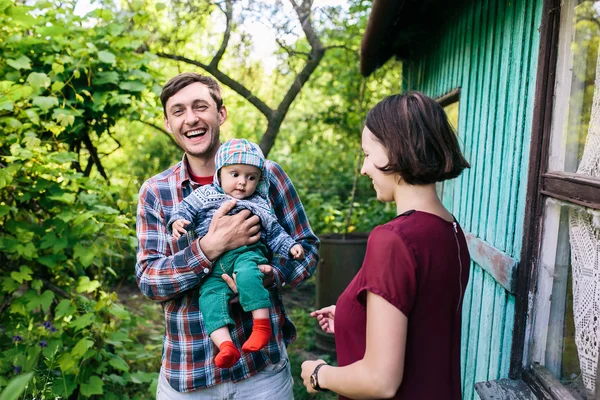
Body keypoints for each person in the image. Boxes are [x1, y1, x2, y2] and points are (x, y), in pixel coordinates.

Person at [135, 72, 319, 399]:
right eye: (178, 111)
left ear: (221, 113)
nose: (190, 118)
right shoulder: (157, 192)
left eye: (200, 106)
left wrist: (271, 275)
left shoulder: (266, 175)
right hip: (189, 375)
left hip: (261, 374)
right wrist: (209, 247)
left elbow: (306, 249)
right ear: (167, 123)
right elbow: (150, 282)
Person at [301, 91, 471, 399]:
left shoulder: (394, 239)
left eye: (366, 154)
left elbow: (380, 381)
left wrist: (318, 373)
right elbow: (423, 324)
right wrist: (353, 319)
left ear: (391, 151)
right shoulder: (451, 231)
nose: (364, 168)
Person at [167, 138, 304, 369]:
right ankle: (226, 345)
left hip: (247, 253)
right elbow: (184, 209)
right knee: (209, 297)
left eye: (251, 177)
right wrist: (178, 222)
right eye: (235, 174)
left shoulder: (258, 203)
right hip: (213, 266)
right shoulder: (204, 195)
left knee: (249, 275)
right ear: (219, 173)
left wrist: (290, 247)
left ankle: (261, 326)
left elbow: (274, 231)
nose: (242, 183)